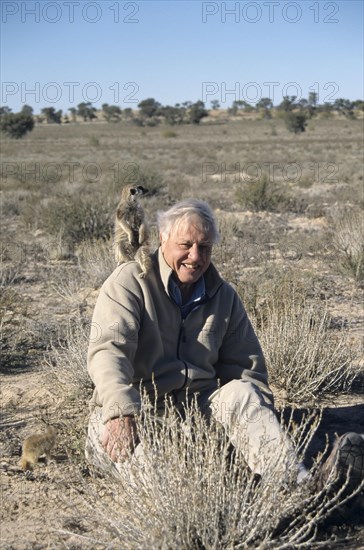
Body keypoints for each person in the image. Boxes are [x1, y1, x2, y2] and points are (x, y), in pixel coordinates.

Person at [85, 198, 364, 493]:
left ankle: (296, 487)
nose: (195, 256)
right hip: (136, 414)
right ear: (163, 239)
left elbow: (247, 370)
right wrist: (120, 411)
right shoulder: (130, 282)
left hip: (195, 415)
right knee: (171, 490)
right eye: (186, 245)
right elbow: (109, 352)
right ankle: (237, 510)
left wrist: (258, 427)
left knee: (243, 393)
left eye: (204, 247)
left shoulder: (223, 296)